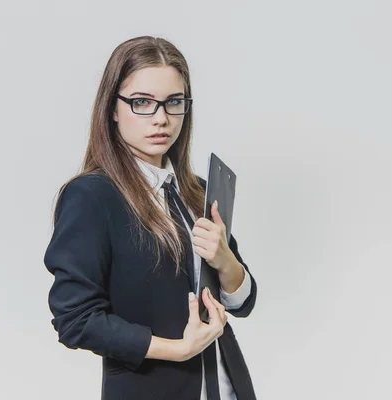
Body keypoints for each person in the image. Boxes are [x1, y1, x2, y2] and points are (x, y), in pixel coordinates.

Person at [43, 35, 258, 400]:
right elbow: (75, 319)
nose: (161, 118)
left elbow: (243, 303)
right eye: (142, 102)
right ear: (112, 108)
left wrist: (226, 260)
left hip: (227, 386)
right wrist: (176, 348)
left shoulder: (197, 191)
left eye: (173, 102)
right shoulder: (92, 196)